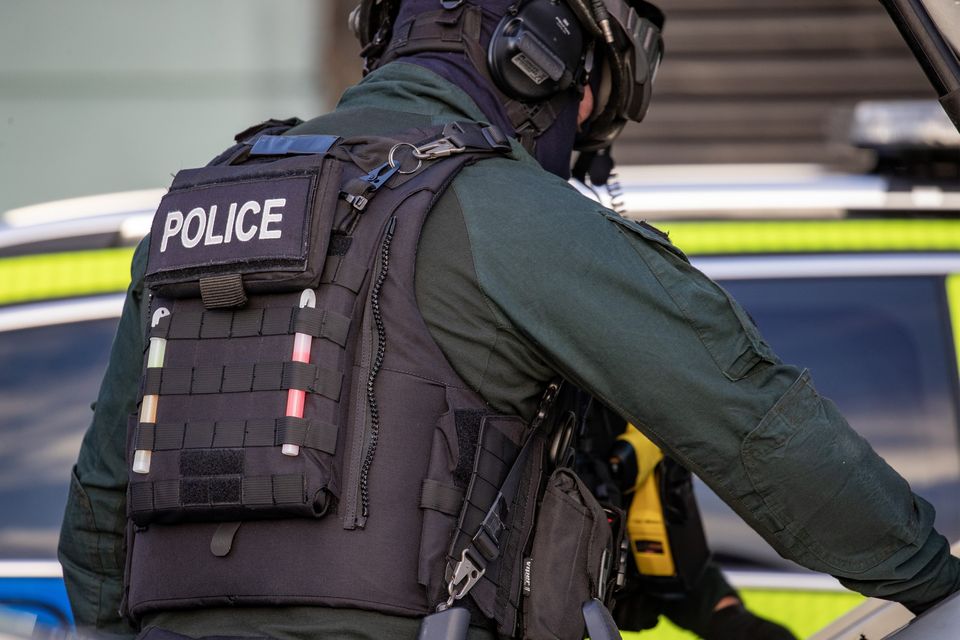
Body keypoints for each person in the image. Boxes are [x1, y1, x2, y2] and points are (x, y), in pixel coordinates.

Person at [59, 1, 960, 640]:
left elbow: (102, 512)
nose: (584, 121)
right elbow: (758, 427)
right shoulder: (503, 214)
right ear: (531, 57)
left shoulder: (194, 218)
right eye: (588, 91)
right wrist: (936, 583)